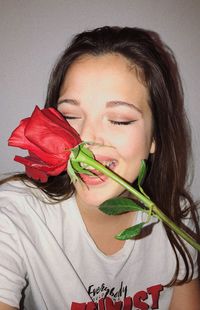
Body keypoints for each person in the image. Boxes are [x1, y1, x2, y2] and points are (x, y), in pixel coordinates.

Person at [0, 26, 199, 310]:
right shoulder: (15, 215)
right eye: (70, 115)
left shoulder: (176, 219)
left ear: (156, 137)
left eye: (119, 120)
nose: (87, 139)